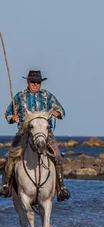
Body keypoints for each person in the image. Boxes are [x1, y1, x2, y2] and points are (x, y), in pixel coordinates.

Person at [1, 70, 70, 201]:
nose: (35, 85)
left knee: (57, 156)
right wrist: (12, 118)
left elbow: (62, 111)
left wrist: (57, 113)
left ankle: (61, 188)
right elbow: (8, 113)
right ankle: (6, 186)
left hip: (45, 133)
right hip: (23, 133)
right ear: (28, 82)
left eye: (38, 82)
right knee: (10, 156)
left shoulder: (47, 96)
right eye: (33, 82)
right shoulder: (19, 97)